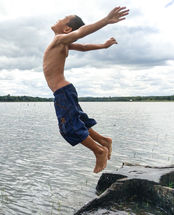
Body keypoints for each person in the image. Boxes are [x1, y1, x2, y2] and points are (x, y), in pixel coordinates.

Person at [43, 6, 129, 173]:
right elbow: (83, 46)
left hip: (62, 91)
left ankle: (99, 151)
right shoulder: (63, 43)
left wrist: (105, 20)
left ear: (66, 28)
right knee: (79, 121)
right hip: (65, 90)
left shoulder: (60, 39)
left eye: (63, 18)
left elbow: (80, 33)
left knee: (70, 126)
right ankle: (104, 140)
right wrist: (103, 46)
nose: (58, 19)